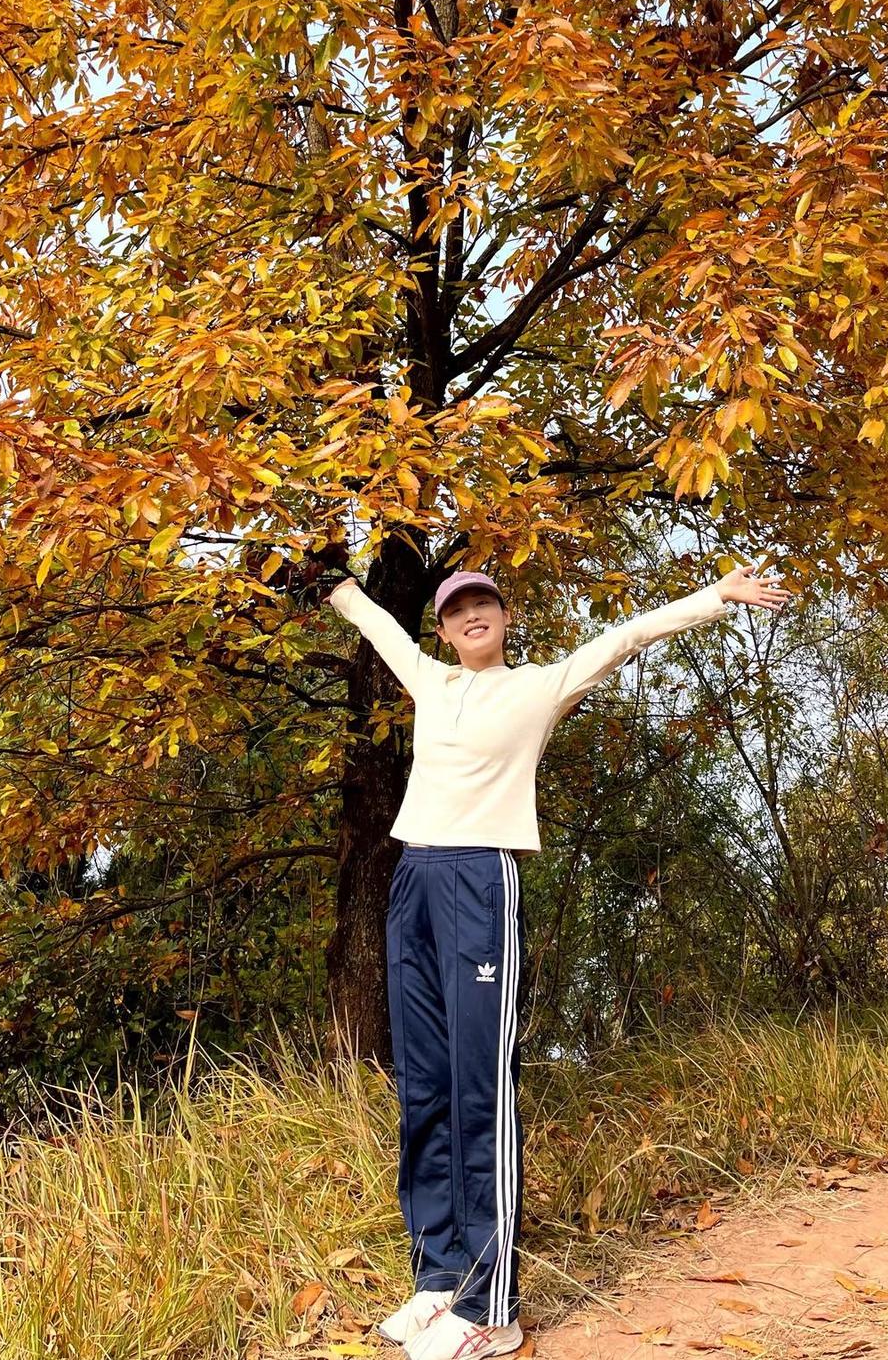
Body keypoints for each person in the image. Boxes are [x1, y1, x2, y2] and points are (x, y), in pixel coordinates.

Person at [321, 556, 791, 1360]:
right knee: (425, 1084)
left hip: (481, 880)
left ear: (502, 618)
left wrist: (719, 596)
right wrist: (332, 582)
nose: (472, 616)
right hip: (415, 878)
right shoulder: (430, 680)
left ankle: (490, 1307)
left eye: (484, 604)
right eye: (457, 609)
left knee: (479, 1086)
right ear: (443, 628)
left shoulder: (538, 686)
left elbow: (626, 637)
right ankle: (438, 1279)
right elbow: (374, 623)